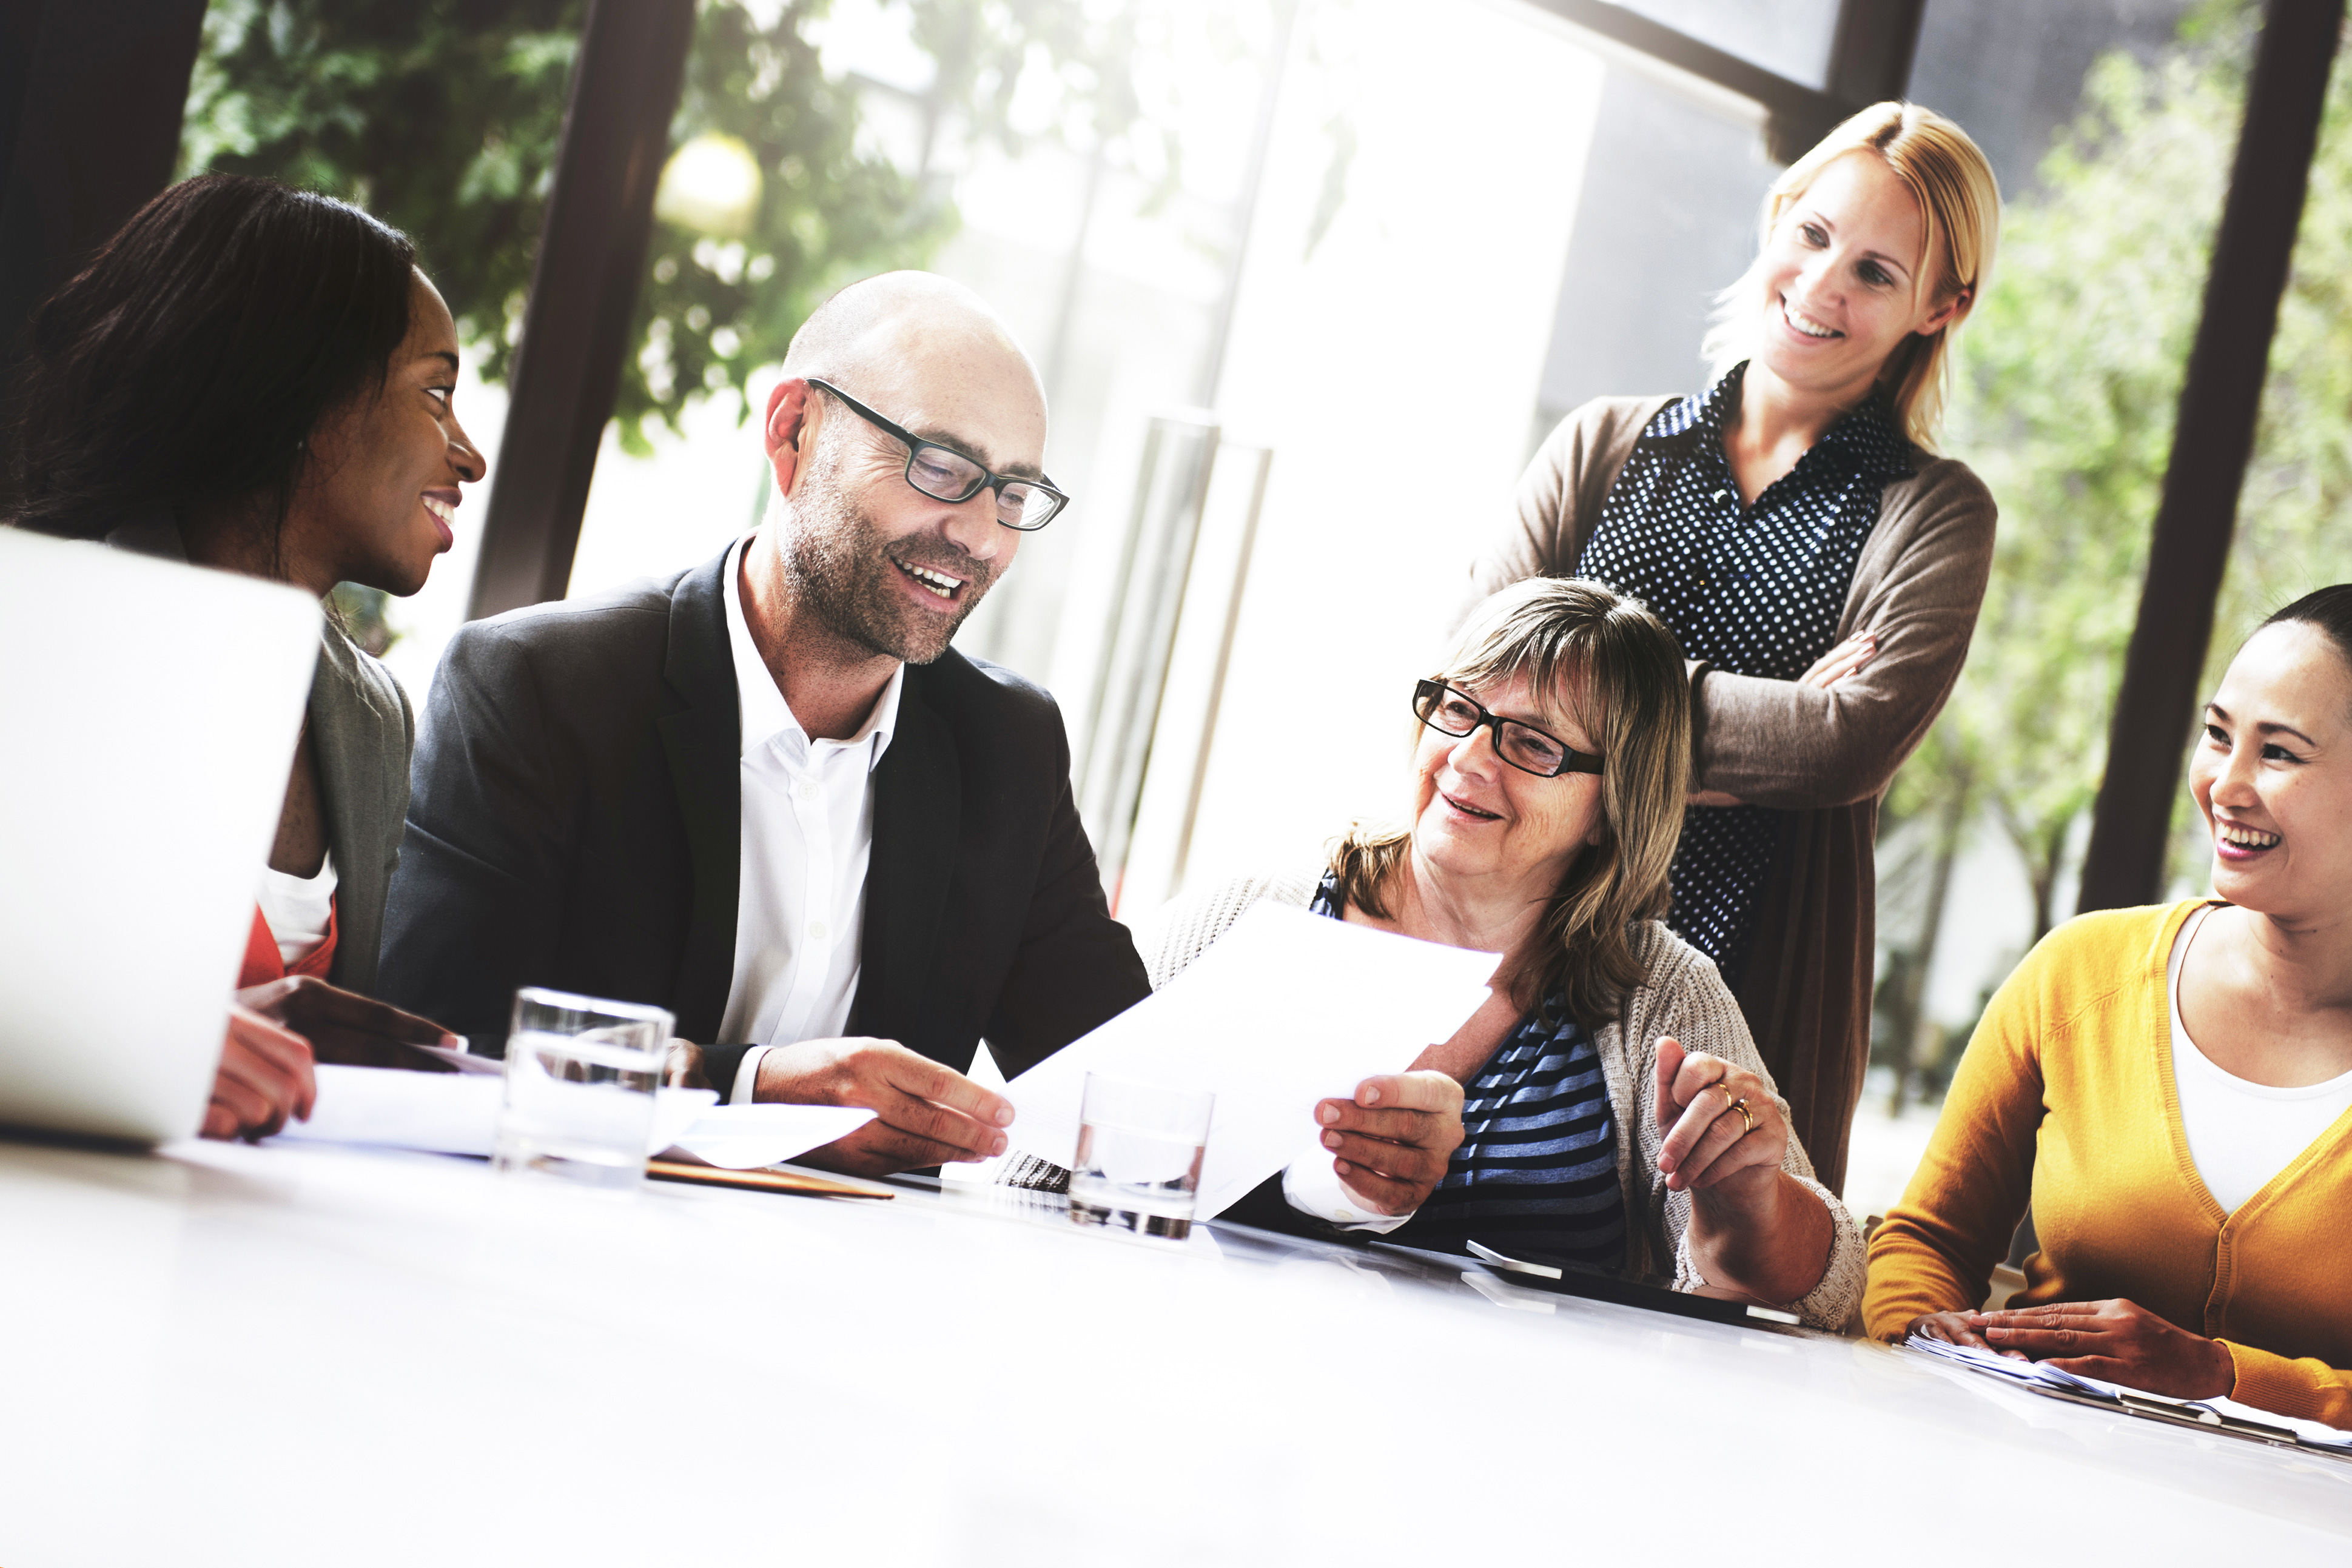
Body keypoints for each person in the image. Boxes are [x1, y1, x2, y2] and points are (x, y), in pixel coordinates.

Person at [378, 272, 1151, 1178]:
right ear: (793, 434)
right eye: (940, 468)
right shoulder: (540, 689)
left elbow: (1133, 1093)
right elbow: (436, 1052)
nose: (981, 537)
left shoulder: (1007, 748)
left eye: (1013, 493)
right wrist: (745, 1088)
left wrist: (1341, 1170)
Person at [1031, 578, 1863, 1327]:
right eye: (1458, 710)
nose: (1467, 758)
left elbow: (1829, 1290)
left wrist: (1749, 1196)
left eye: (1533, 744)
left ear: (1612, 805)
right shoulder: (1250, 913)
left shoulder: (1660, 990)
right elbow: (1035, 1172)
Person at [1462, 102, 2003, 1194]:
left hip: (1757, 979)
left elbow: (1838, 748)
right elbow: (1481, 678)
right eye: (1810, 236)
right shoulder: (1601, 445)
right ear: (1773, 221)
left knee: (1696, 1305)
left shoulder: (1933, 512)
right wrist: (1748, 731)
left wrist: (1582, 741)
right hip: (1523, 942)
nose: (1820, 288)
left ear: (1941, 306)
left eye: (1873, 272)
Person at [1, 174, 480, 1140]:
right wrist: (134, 1040)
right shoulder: (34, 636)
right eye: (435, 392)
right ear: (303, 398)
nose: (467, 454)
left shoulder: (375, 715)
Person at [1866, 588, 2352, 1426]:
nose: (2222, 785)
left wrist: (2221, 1373)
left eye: (2277, 753)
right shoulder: (2080, 971)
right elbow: (1927, 1239)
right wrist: (1925, 1335)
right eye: (2216, 734)